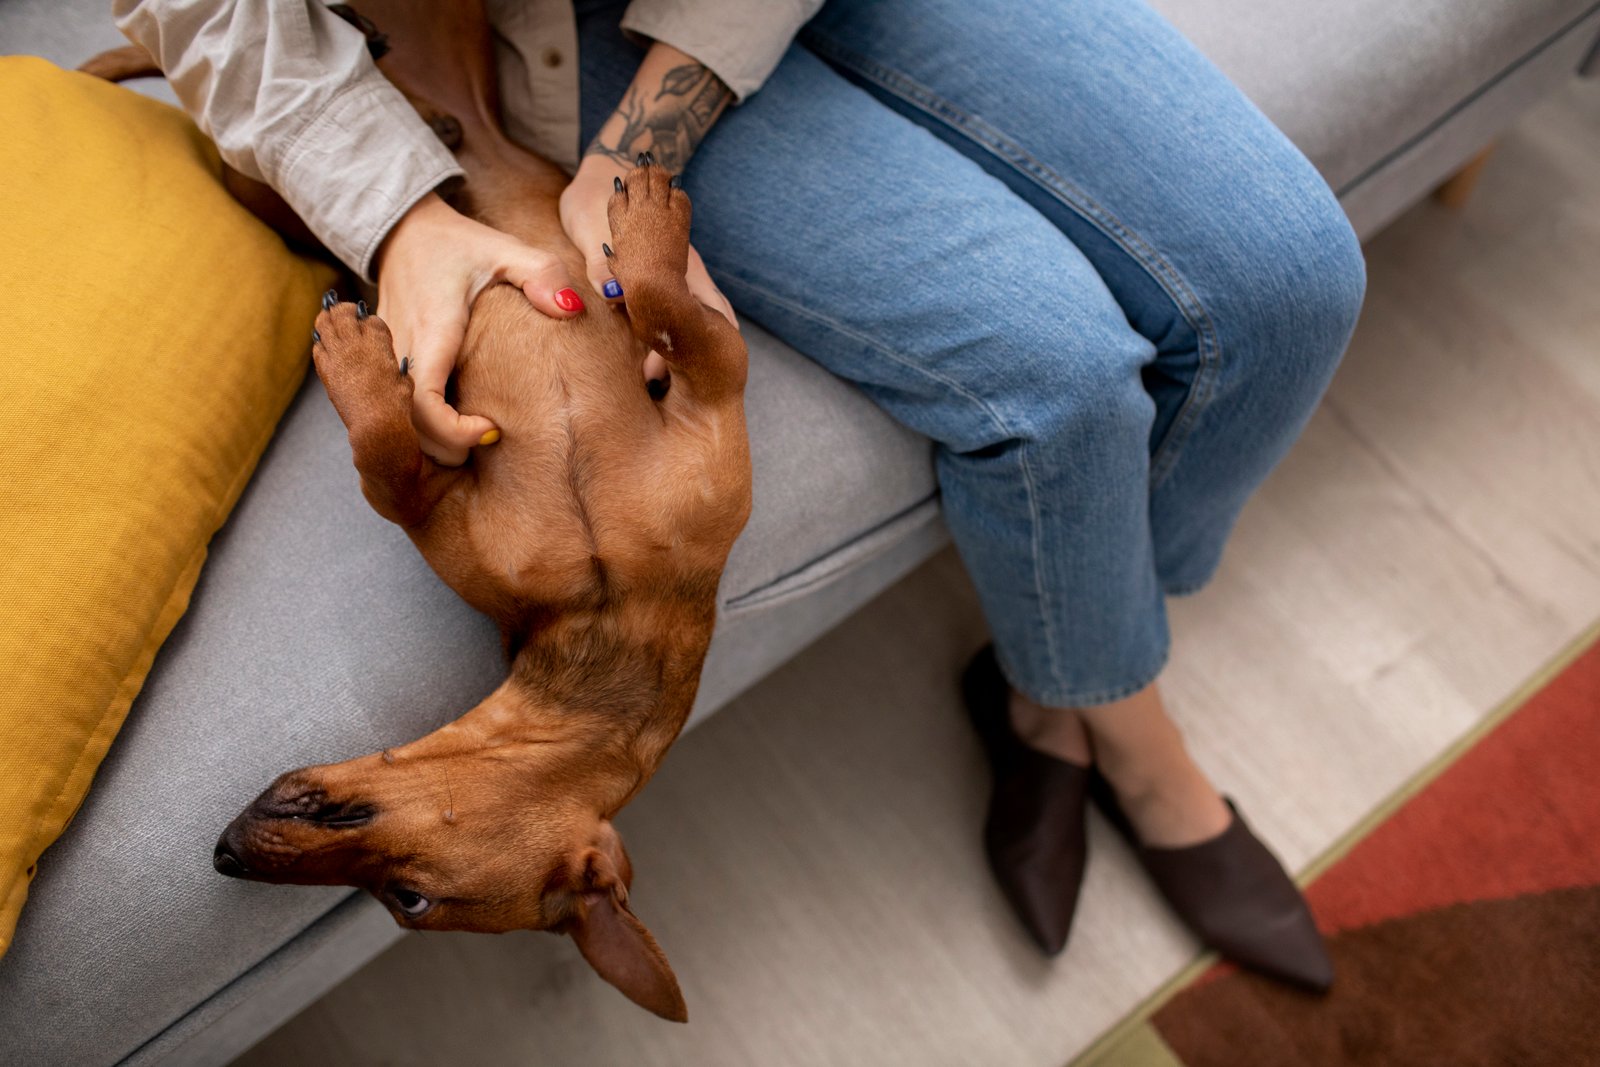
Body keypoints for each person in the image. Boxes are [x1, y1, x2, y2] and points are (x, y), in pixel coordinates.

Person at [116, 0, 1365, 986]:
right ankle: (1117, 734)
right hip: (530, 30)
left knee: (1290, 282)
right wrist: (398, 217)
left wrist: (641, 148)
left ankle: (1066, 683)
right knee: (1063, 380)